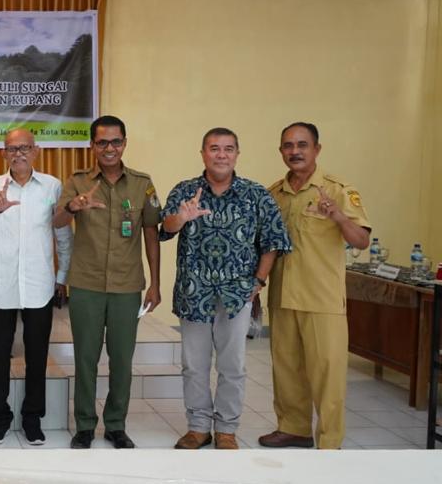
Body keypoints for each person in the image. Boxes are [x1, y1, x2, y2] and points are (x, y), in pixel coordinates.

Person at [160, 127, 291, 450]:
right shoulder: (186, 190)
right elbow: (165, 228)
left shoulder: (256, 194)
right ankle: (198, 427)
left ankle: (227, 429)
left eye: (228, 149)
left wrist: (259, 281)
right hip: (194, 293)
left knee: (233, 366)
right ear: (203, 153)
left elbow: (273, 241)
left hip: (236, 295)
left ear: (237, 154)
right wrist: (182, 216)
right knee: (194, 365)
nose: (221, 155)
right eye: (214, 148)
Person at [259, 122, 370, 450]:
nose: (295, 151)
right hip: (282, 295)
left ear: (316, 150)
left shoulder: (336, 190)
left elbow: (361, 240)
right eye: (288, 146)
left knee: (328, 374)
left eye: (302, 145)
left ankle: (329, 440)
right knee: (286, 369)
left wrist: (338, 216)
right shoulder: (273, 193)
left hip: (322, 298)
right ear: (281, 151)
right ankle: (294, 428)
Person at [53, 115, 162, 449]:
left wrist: (155, 283)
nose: (110, 148)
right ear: (93, 146)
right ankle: (84, 425)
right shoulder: (77, 181)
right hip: (86, 283)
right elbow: (56, 220)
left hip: (127, 285)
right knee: (85, 357)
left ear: (125, 143)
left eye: (116, 141)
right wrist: (74, 205)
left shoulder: (142, 183)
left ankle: (116, 424)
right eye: (102, 142)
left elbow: (151, 233)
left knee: (121, 359)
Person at [0, 128, 71, 446]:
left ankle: (32, 419)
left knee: (37, 354)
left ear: (36, 151)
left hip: (39, 283)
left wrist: (62, 275)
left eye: (25, 148)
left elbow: (62, 234)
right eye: (12, 149)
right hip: (1, 283)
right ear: (4, 153)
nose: (19, 154)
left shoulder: (53, 186)